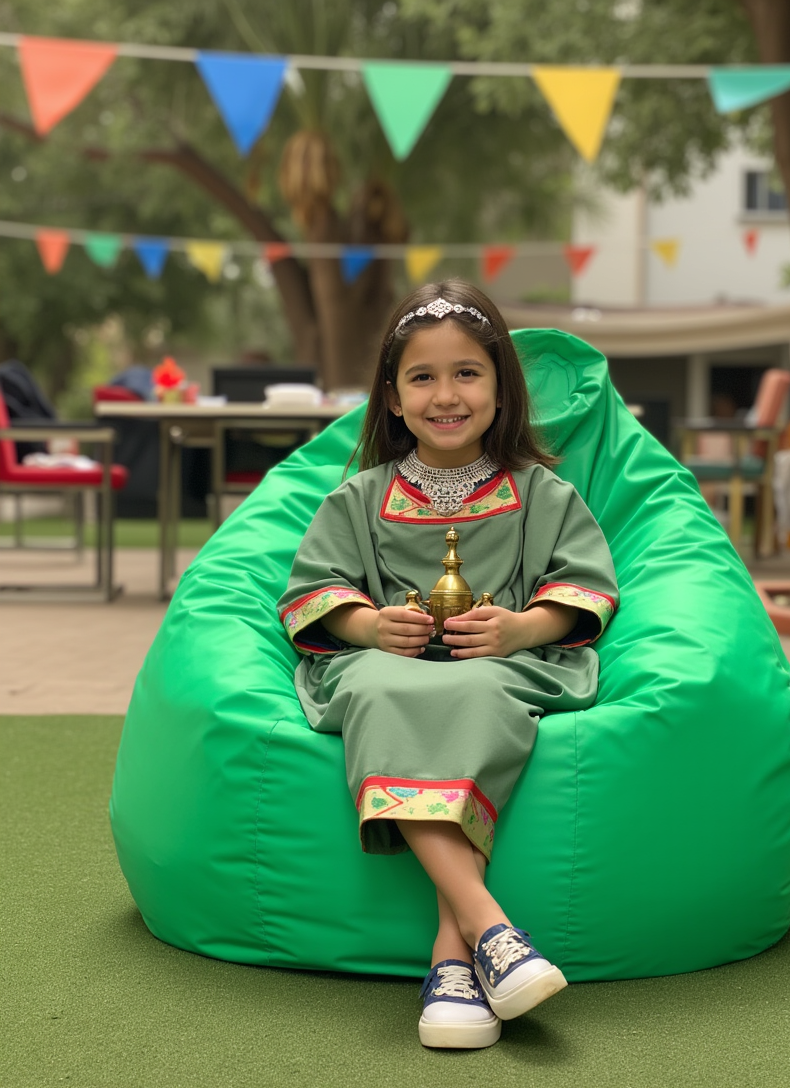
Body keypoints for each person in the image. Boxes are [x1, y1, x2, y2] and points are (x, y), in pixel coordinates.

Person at [278, 280, 618, 1049]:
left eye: (467, 373)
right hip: (381, 669)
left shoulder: (542, 494)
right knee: (378, 687)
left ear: (501, 388)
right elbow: (312, 593)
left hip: (503, 666)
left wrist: (522, 627)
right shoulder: (358, 498)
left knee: (473, 691)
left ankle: (453, 957)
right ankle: (490, 929)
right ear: (393, 398)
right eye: (422, 377)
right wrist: (366, 624)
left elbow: (587, 588)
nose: (446, 395)